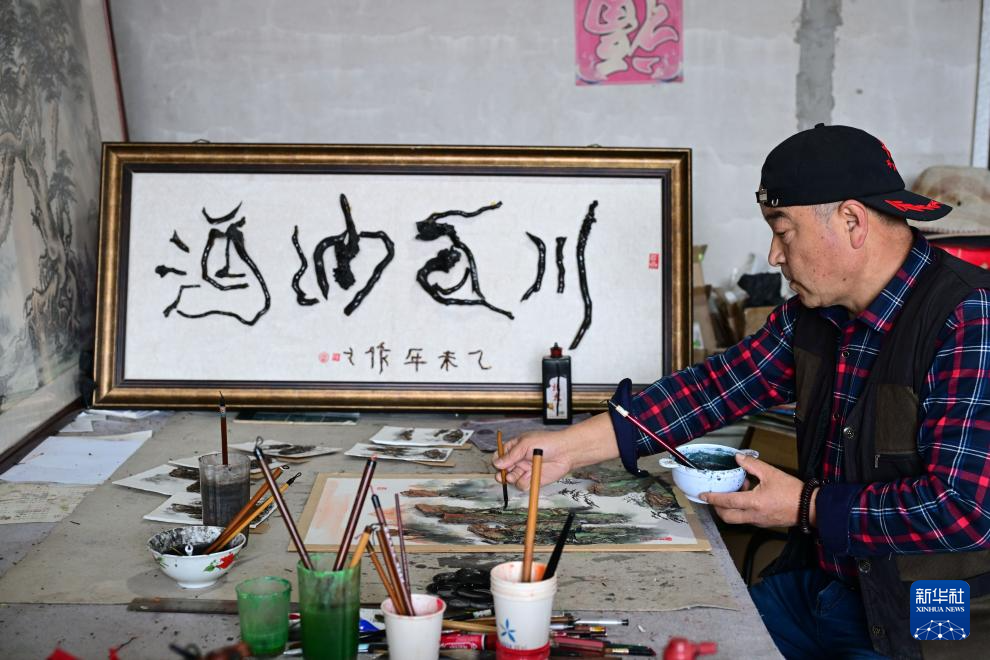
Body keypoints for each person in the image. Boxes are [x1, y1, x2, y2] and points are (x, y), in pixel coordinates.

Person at [493, 124, 990, 660]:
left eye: (784, 231)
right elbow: (712, 389)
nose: (774, 255)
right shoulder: (814, 316)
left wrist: (805, 507)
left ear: (851, 221)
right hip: (820, 586)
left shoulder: (968, 317)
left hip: (920, 616)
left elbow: (962, 509)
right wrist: (567, 448)